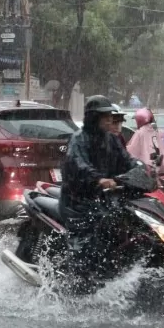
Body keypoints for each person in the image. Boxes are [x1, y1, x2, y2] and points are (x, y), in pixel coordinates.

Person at [51, 96, 142, 280]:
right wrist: (98, 179)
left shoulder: (112, 140)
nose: (110, 119)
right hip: (77, 203)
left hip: (104, 200)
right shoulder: (79, 139)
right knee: (85, 247)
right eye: (106, 116)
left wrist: (141, 169)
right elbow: (78, 164)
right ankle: (76, 280)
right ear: (94, 118)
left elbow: (127, 160)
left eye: (110, 116)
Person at [126, 108, 164, 172]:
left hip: (146, 167)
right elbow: (162, 147)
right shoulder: (153, 131)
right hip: (160, 165)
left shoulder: (140, 132)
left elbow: (133, 149)